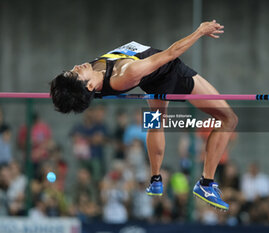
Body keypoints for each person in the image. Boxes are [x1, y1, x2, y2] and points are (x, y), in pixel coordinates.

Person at [50, 20, 238, 210]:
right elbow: (171, 53)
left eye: (71, 71)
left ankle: (155, 179)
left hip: (151, 81)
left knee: (157, 122)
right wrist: (200, 31)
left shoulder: (90, 80)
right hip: (172, 73)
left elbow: (68, 97)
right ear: (89, 86)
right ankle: (206, 183)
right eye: (75, 74)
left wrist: (60, 92)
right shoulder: (126, 73)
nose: (76, 66)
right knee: (228, 119)